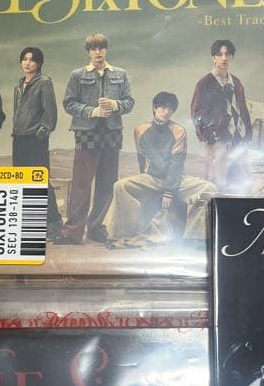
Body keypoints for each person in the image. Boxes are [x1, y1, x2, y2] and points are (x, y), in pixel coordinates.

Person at [104, 92, 215, 245]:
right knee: (120, 186)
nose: (166, 112)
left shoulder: (178, 131)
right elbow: (142, 159)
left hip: (176, 179)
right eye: (162, 107)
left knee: (209, 188)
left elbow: (176, 163)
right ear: (154, 108)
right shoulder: (140, 130)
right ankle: (121, 234)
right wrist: (145, 184)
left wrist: (168, 192)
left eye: (170, 109)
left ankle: (193, 236)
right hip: (151, 178)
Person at [55, 32, 134, 245]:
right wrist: (93, 111)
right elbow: (68, 103)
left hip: (112, 133)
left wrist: (115, 105)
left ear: (106, 50)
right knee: (81, 184)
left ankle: (96, 227)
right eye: (93, 49)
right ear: (88, 52)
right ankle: (72, 232)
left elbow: (129, 102)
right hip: (86, 133)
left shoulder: (121, 74)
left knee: (107, 183)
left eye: (101, 48)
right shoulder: (77, 75)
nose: (98, 52)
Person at [11, 46, 62, 237]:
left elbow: (50, 112)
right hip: (19, 138)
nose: (27, 63)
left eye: (31, 60)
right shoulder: (19, 85)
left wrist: (41, 133)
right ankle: (31, 224)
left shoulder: (44, 82)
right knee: (22, 181)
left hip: (35, 139)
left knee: (40, 180)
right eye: (24, 59)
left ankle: (54, 225)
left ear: (38, 63)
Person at [190, 39, 252, 192]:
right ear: (214, 58)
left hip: (237, 134)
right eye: (219, 54)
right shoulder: (204, 83)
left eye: (227, 54)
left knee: (247, 172)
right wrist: (209, 137)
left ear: (231, 57)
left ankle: (248, 199)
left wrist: (248, 133)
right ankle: (220, 196)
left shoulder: (236, 82)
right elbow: (197, 114)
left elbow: (243, 109)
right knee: (221, 164)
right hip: (217, 135)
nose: (224, 58)